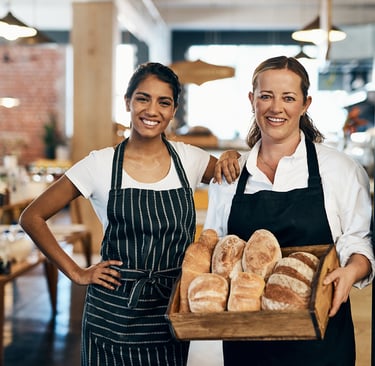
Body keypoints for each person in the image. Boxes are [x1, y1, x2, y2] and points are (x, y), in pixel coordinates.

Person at [19, 62, 239, 366]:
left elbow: (237, 175)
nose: (152, 110)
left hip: (170, 309)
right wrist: (76, 272)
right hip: (112, 311)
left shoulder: (190, 160)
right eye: (142, 98)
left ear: (174, 109)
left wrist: (231, 155)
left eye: (164, 102)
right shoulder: (99, 165)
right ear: (127, 102)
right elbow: (32, 217)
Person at [205, 55, 375, 366]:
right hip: (247, 339)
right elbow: (217, 251)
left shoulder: (339, 170)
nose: (275, 108)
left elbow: (359, 241)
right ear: (251, 99)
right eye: (266, 96)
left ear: (305, 103)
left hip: (320, 337)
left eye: (288, 98)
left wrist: (351, 271)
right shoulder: (228, 177)